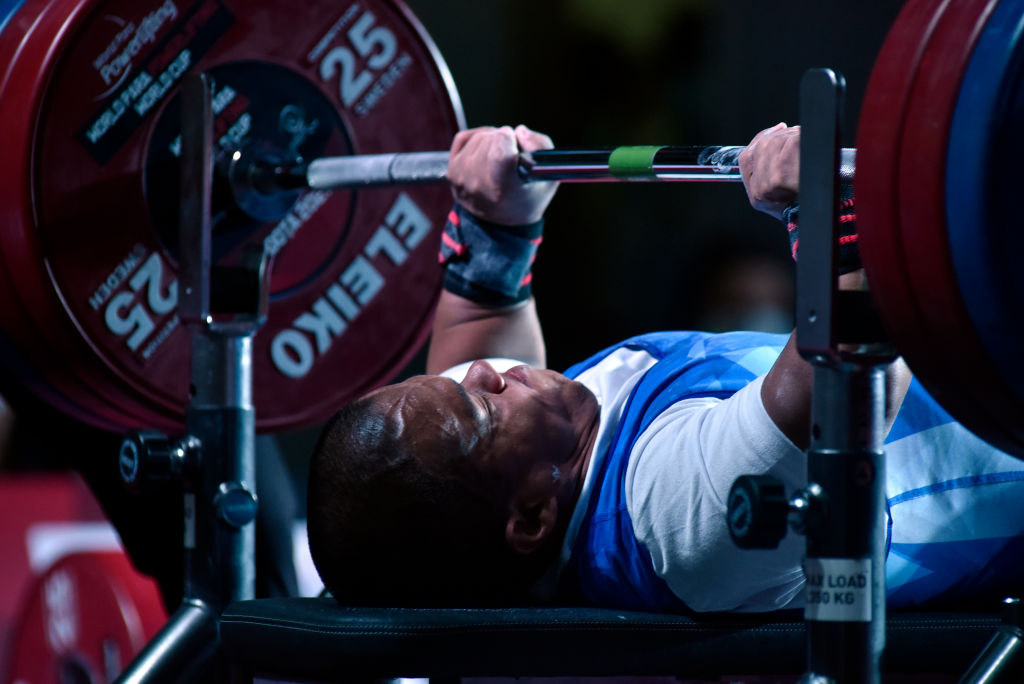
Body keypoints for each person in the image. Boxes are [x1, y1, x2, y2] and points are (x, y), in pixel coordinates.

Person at [306, 123, 1024, 612]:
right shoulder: (675, 514)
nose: (483, 375)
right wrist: (829, 212)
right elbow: (849, 376)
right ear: (530, 515)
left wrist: (496, 227)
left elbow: (471, 347)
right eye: (480, 406)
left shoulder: (513, 463)